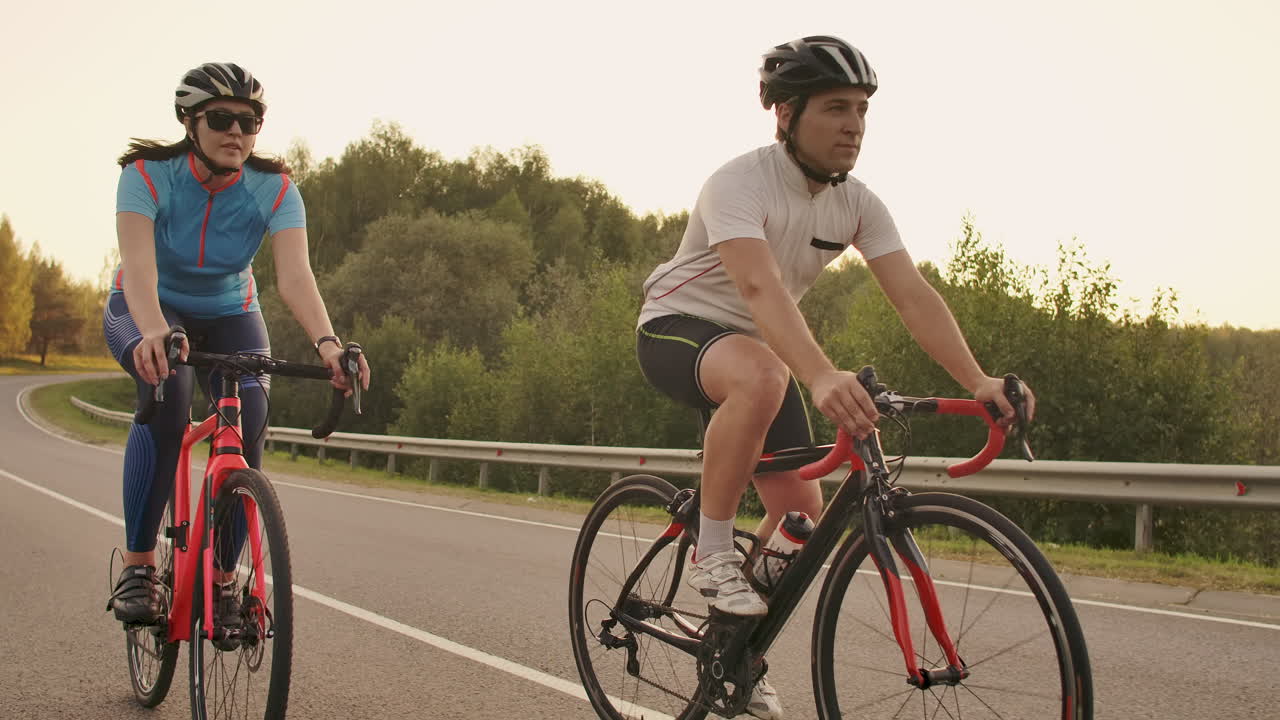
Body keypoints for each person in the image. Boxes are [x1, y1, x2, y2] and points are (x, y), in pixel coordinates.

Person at [634, 36, 1035, 719]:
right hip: (677, 327)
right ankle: (710, 553)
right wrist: (819, 376)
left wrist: (978, 380)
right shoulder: (738, 183)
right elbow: (760, 289)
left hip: (756, 353)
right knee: (766, 372)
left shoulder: (858, 203)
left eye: (862, 111)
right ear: (786, 115)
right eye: (835, 108)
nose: (854, 125)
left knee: (799, 523)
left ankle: (731, 649)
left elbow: (913, 295)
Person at [105, 63, 371, 628]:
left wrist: (327, 345)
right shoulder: (146, 175)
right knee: (169, 397)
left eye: (250, 122)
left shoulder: (274, 187)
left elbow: (295, 278)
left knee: (248, 419)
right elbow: (139, 268)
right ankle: (139, 565)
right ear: (188, 122)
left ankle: (224, 582)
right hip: (149, 306)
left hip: (231, 311)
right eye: (221, 119)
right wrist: (154, 331)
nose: (238, 133)